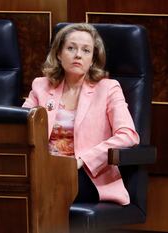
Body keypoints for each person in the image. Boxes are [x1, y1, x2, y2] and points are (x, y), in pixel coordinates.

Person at [22, 23, 139, 205]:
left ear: (92, 59)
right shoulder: (41, 86)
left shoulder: (108, 88)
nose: (78, 55)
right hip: (43, 170)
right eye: (71, 48)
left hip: (87, 174)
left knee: (44, 193)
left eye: (86, 50)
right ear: (59, 54)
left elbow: (128, 135)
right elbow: (20, 124)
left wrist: (83, 160)